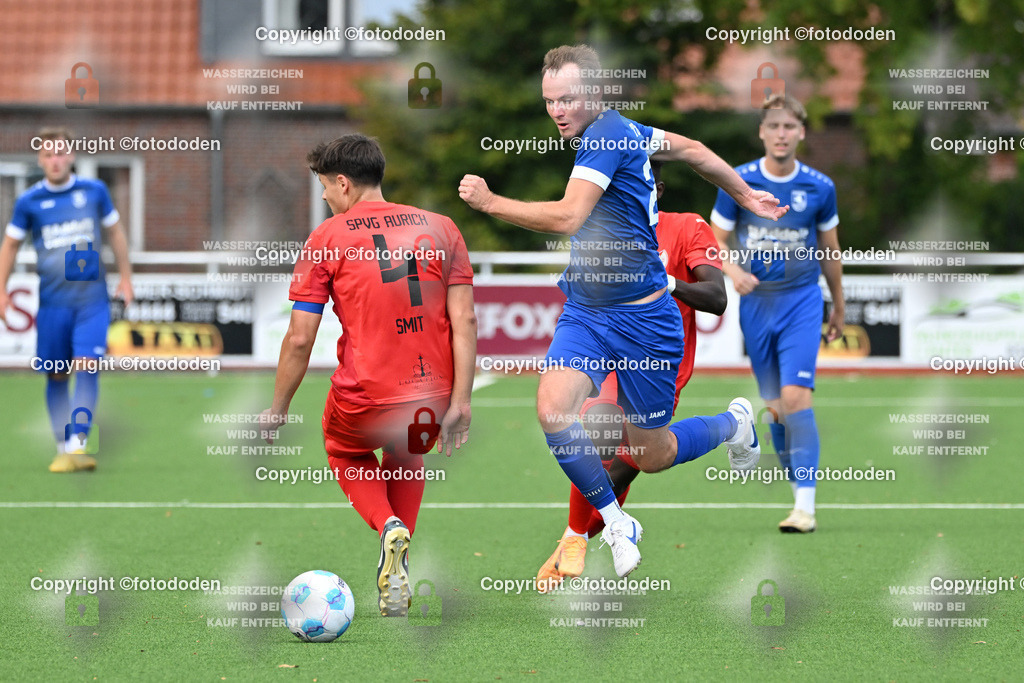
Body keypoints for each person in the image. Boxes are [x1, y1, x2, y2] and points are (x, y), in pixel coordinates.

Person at [460, 44, 787, 577]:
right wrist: (746, 194)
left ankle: (733, 424)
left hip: (646, 324)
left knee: (651, 455)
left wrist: (491, 202)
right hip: (587, 315)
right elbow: (696, 150)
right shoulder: (626, 131)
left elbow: (568, 217)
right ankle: (615, 523)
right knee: (553, 411)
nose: (557, 111)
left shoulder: (607, 137)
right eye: (549, 102)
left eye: (566, 99)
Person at [260, 134, 477, 616]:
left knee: (344, 446)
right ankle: (399, 551)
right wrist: (461, 402)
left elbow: (299, 338)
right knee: (405, 451)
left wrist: (277, 410)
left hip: (367, 394)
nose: (322, 198)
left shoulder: (327, 238)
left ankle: (387, 526)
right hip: (433, 394)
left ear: (343, 182)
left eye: (323, 187)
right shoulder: (443, 228)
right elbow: (465, 320)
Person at [537, 161, 728, 588]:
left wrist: (665, 284)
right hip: (607, 351)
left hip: (659, 360)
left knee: (644, 459)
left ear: (655, 187)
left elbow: (717, 298)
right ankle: (578, 537)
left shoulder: (687, 226)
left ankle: (733, 424)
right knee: (595, 427)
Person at [709, 94, 844, 533]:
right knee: (776, 412)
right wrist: (731, 270)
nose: (781, 134)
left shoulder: (820, 187)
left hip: (802, 301)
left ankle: (805, 507)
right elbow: (715, 241)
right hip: (757, 307)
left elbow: (831, 250)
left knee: (796, 399)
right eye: (774, 126)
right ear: (762, 132)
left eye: (790, 127)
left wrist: (838, 305)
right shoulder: (738, 181)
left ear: (801, 132)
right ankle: (798, 491)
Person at [0, 126, 134, 472]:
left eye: (60, 153)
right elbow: (11, 245)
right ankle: (63, 447)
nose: (55, 160)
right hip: (52, 305)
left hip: (92, 301)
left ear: (71, 156)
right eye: (48, 154)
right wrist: (1, 290)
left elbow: (115, 231)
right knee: (57, 375)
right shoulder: (29, 201)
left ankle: (78, 446)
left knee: (88, 367)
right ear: (40, 159)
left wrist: (126, 277)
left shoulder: (94, 191)